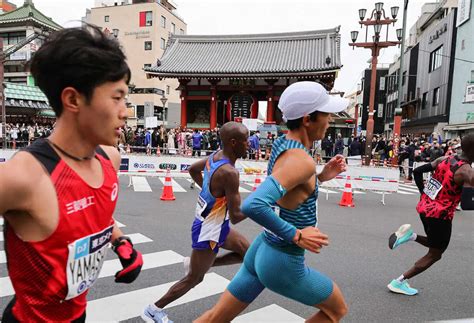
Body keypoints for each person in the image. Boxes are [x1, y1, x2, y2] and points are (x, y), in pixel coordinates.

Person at [0, 26, 144, 322]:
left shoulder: (110, 160)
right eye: (117, 98)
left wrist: (119, 241)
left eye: (125, 99)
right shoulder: (24, 177)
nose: (125, 112)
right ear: (74, 100)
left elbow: (90, 216)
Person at [195, 81, 349, 323]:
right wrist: (297, 235)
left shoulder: (282, 144)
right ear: (308, 119)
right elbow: (253, 204)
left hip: (262, 249)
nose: (330, 120)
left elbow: (288, 191)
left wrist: (320, 178)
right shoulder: (302, 160)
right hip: (282, 259)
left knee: (216, 318)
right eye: (327, 114)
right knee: (336, 310)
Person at [142, 121, 251, 323]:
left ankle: (197, 264)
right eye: (246, 141)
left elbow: (193, 169)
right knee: (194, 278)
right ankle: (153, 309)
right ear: (234, 142)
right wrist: (259, 203)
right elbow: (237, 216)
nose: (250, 145)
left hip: (217, 222)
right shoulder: (229, 172)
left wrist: (208, 192)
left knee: (248, 252)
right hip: (210, 228)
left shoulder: (215, 157)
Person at [387, 134, 474, 296]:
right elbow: (468, 203)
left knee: (435, 243)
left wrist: (423, 193)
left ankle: (410, 236)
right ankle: (398, 282)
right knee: (435, 254)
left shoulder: (445, 159)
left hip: (424, 208)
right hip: (440, 215)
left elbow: (418, 171)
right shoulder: (467, 172)